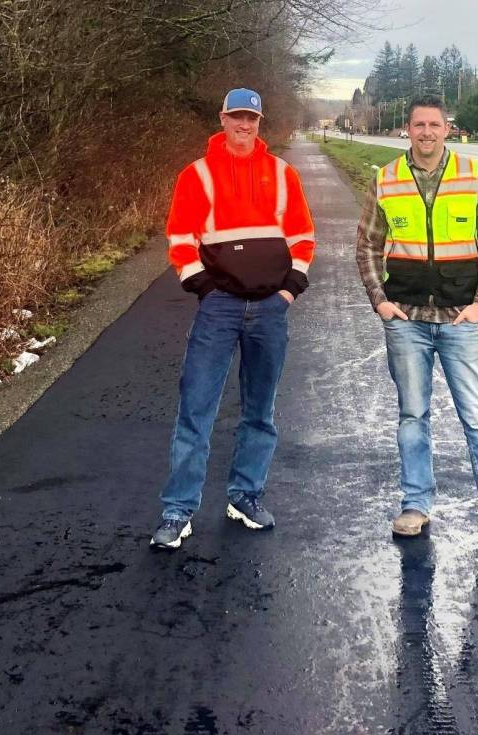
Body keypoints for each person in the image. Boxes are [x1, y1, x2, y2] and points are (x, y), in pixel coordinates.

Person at [355, 94, 478, 550]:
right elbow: (368, 245)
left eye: (435, 124)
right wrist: (380, 300)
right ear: (407, 129)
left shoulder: (474, 176)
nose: (427, 132)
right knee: (413, 416)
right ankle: (415, 505)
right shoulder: (387, 180)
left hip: (460, 320)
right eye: (419, 125)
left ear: (446, 129)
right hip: (406, 318)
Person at [150, 88, 315, 550]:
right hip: (218, 308)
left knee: (260, 411)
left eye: (252, 119)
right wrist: (205, 289)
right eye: (237, 117)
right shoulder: (196, 175)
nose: (244, 126)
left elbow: (303, 238)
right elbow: (181, 239)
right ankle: (178, 510)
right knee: (195, 408)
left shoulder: (283, 175)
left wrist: (288, 291)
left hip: (270, 310)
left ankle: (244, 496)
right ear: (222, 118)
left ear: (259, 123)